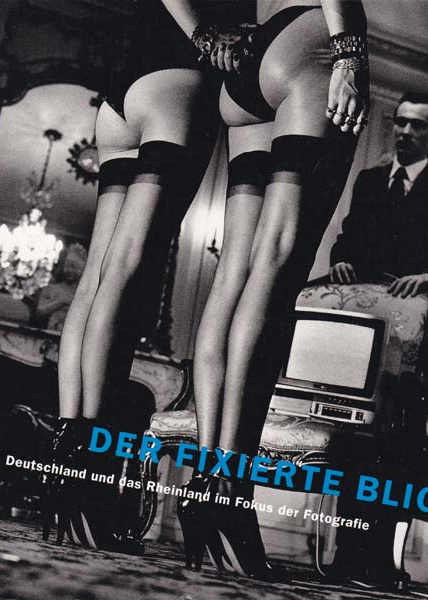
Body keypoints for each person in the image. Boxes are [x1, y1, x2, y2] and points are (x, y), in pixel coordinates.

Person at [180, 0, 370, 580]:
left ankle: (206, 481)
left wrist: (204, 33)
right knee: (277, 265)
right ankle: (230, 490)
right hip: (310, 43)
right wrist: (349, 53)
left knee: (233, 273)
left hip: (251, 63)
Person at [42, 0, 222, 552]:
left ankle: (68, 458)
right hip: (178, 86)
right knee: (127, 268)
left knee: (99, 273)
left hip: (122, 97)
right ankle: (90, 472)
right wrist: (206, 35)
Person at [330, 92, 428, 295]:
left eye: (418, 125)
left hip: (409, 301)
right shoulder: (368, 180)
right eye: (401, 123)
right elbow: (350, 237)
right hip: (356, 294)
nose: (406, 132)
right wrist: (340, 261)